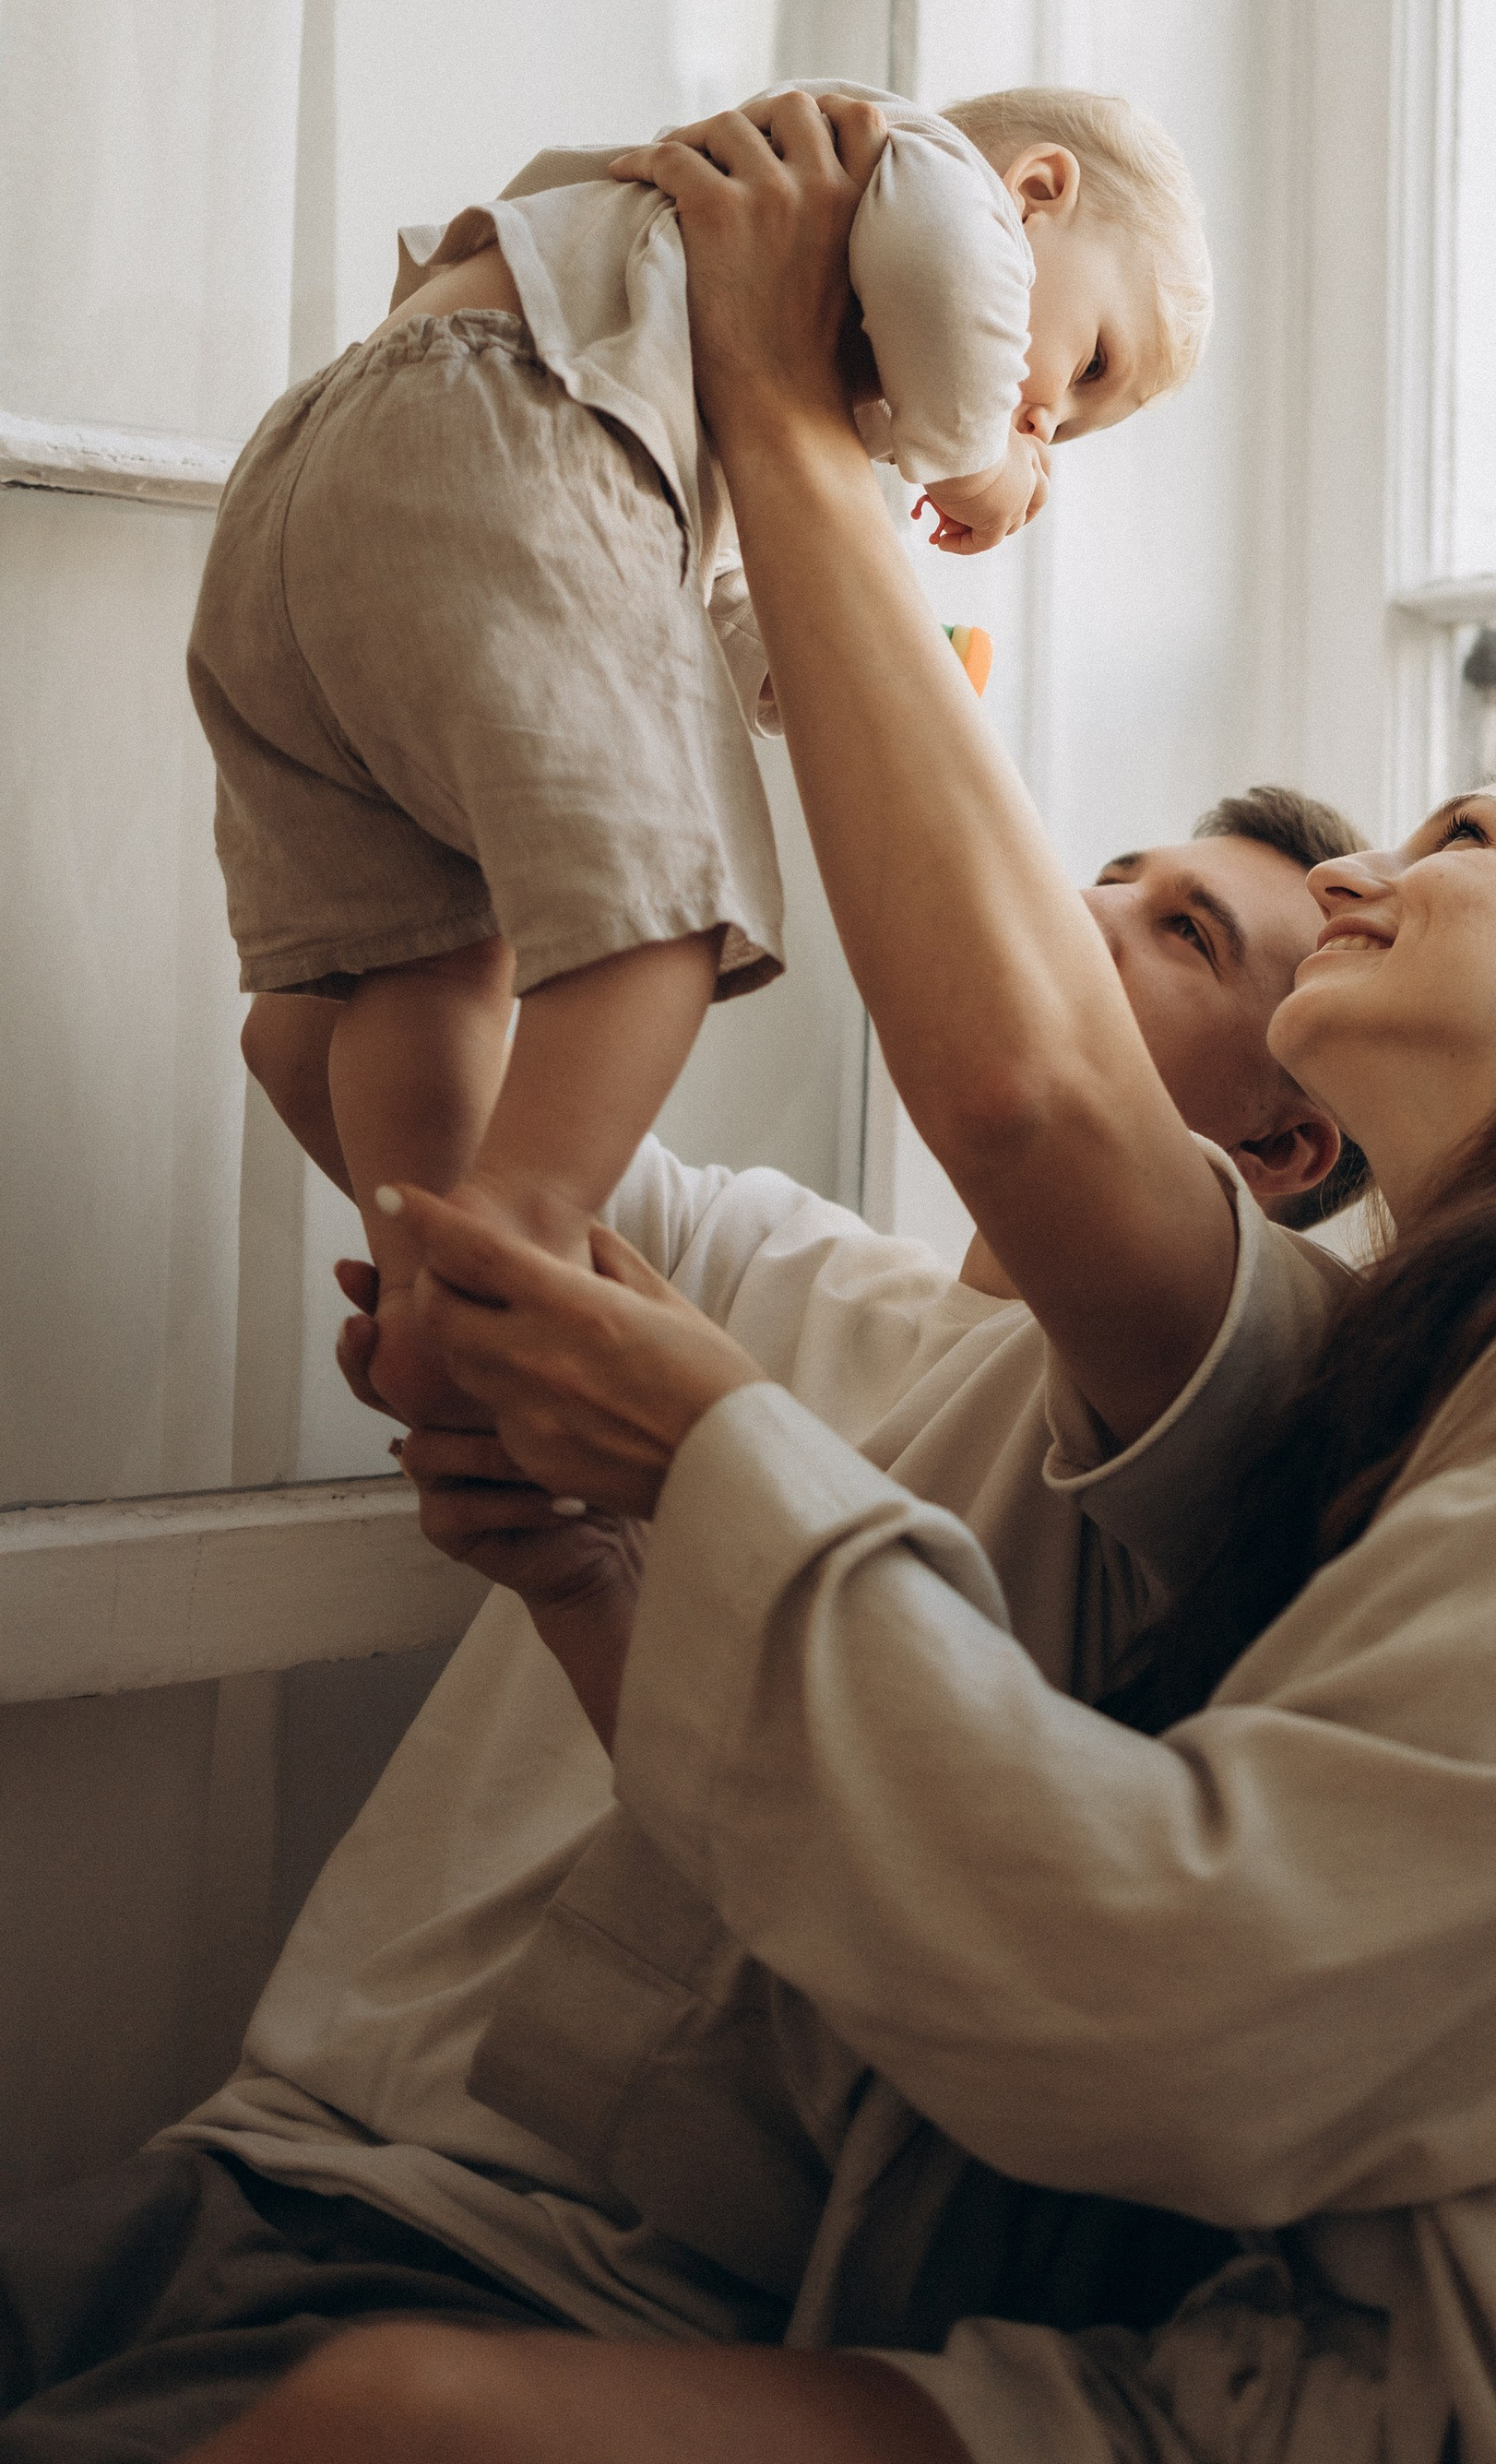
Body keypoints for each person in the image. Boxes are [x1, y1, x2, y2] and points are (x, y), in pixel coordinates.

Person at [191, 92, 1496, 2464]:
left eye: (1451, 836)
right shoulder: (1408, 1374)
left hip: (1486, 2381)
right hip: (1286, 2337)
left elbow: (1037, 1109)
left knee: (387, 2418)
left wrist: (778, 412)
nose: (1363, 876)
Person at [0, 783, 1359, 2464]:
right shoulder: (759, 1256)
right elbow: (312, 1034)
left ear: (1286, 1147)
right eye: (1111, 877)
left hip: (556, 2294)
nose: (1082, 917)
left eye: (1186, 936)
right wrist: (535, 705)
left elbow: (1036, 1102)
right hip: (239, 2152)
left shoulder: (1234, 1440)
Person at [185, 81, 1212, 1430]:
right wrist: (981, 454)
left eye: (1072, 428)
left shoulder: (751, 291)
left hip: (315, 486)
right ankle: (521, 1238)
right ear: (1039, 191)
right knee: (667, 919)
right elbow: (960, 323)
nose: (1051, 427)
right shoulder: (918, 176)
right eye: (1082, 372)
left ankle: (433, 1271)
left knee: (431, 956)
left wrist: (795, 664)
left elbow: (689, 557)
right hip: (506, 421)